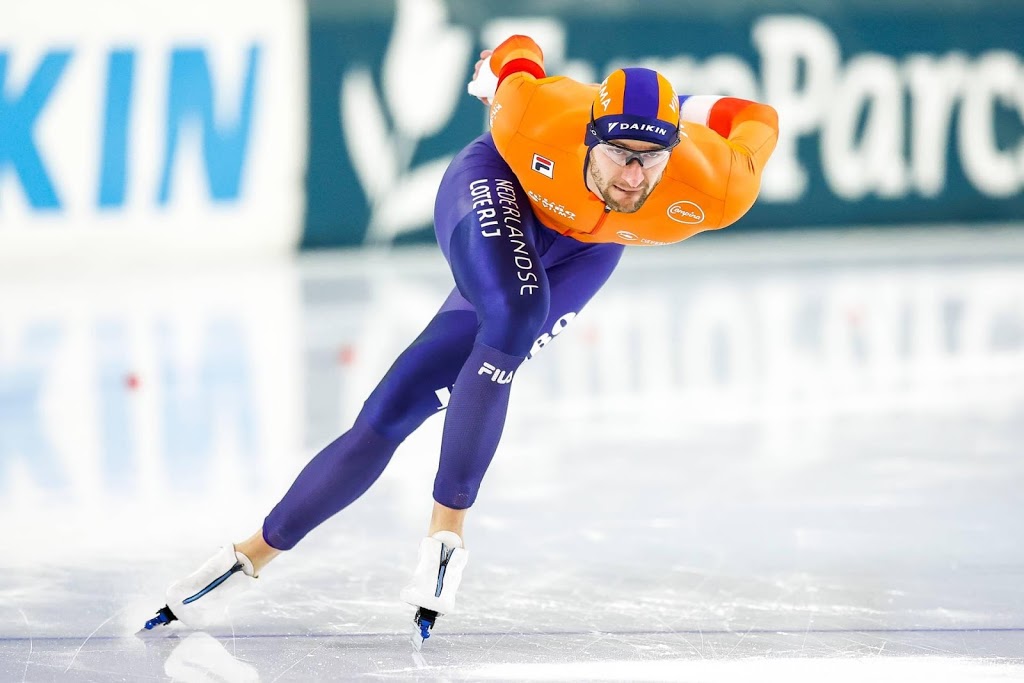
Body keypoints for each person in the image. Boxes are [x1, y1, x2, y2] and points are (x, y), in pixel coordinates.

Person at [142, 34, 779, 646]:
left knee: (404, 402)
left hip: (589, 252)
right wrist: (495, 69)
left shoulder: (719, 184)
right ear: (588, 134)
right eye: (618, 153)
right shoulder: (538, 113)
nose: (634, 176)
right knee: (515, 313)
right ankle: (445, 538)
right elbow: (518, 51)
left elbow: (758, 115)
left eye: (652, 156)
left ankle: (244, 558)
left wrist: (689, 106)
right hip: (498, 186)